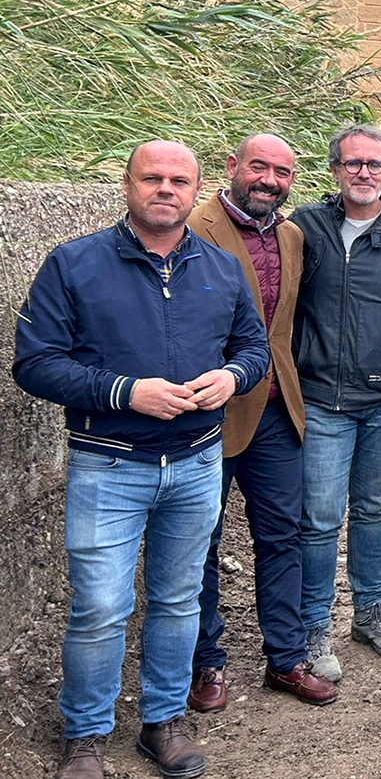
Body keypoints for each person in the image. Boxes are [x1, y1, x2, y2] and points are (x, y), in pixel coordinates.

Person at [14, 141, 269, 779]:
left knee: (180, 599)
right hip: (109, 464)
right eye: (151, 178)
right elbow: (35, 363)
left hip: (195, 461)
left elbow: (254, 348)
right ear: (126, 185)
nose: (166, 189)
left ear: (198, 188)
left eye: (179, 181)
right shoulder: (74, 264)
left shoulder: (218, 265)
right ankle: (87, 736)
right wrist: (125, 391)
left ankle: (163, 722)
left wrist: (233, 377)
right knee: (100, 606)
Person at [185, 134, 339, 714]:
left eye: (281, 171)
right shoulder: (195, 226)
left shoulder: (292, 235)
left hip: (277, 408)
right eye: (259, 167)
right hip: (208, 411)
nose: (269, 180)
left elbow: (285, 327)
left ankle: (286, 658)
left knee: (283, 536)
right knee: (200, 540)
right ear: (231, 167)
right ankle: (207, 664)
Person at [291, 124, 381, 681]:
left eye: (374, 164)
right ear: (335, 170)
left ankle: (371, 610)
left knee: (374, 506)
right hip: (323, 395)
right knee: (320, 515)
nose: (364, 173)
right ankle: (312, 623)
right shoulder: (305, 227)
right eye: (353, 164)